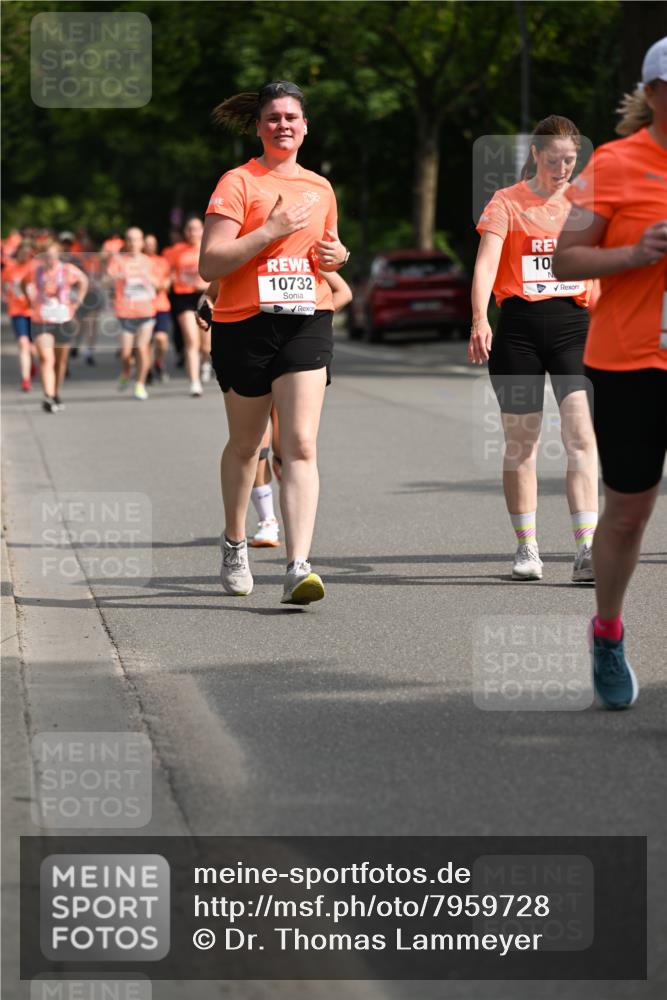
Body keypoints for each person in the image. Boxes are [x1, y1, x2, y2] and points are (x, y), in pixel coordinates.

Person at [199, 79, 349, 603]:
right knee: (246, 446)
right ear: (259, 127)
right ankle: (235, 542)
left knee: (301, 444)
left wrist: (336, 258)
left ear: (305, 126)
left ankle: (298, 566)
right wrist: (271, 228)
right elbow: (209, 264)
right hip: (244, 323)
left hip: (307, 318)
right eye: (273, 118)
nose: (283, 124)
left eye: (292, 117)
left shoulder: (321, 188)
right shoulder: (238, 183)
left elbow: (325, 251)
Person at [553, 37, 667, 709]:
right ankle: (607, 631)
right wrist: (633, 252)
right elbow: (565, 260)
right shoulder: (617, 164)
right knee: (627, 514)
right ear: (654, 92)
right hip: (630, 360)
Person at [469, 116, 599, 583]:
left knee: (581, 438)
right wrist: (480, 318)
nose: (563, 167)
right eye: (554, 158)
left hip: (574, 328)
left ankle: (586, 549)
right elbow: (486, 266)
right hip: (520, 330)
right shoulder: (506, 201)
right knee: (522, 444)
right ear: (535, 156)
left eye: (570, 159)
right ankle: (527, 547)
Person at [197, 268, 352, 549]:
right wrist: (208, 311)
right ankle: (267, 521)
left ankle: (291, 529)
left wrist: (309, 319)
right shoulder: (241, 256)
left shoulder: (304, 257)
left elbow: (343, 292)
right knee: (256, 445)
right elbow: (209, 296)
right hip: (249, 353)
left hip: (292, 355)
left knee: (290, 448)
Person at [23, 240, 88, 412]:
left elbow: (84, 280)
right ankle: (48, 396)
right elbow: (23, 283)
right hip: (41, 319)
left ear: (58, 255)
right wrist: (29, 300)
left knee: (60, 362)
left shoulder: (67, 270)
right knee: (46, 358)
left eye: (53, 256)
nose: (50, 260)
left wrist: (78, 301)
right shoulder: (36, 271)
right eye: (46, 257)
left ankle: (56, 392)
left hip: (63, 319)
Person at [107, 227, 156, 400]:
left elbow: (161, 284)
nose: (133, 243)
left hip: (146, 312)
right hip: (125, 312)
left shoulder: (149, 261)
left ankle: (140, 384)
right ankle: (126, 371)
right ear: (125, 242)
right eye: (130, 239)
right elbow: (106, 280)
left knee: (143, 349)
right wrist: (118, 276)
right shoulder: (118, 260)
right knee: (126, 353)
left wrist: (147, 278)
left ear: (142, 242)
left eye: (136, 240)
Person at [170, 217, 210, 395]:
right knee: (191, 341)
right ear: (185, 232)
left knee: (206, 346)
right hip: (184, 297)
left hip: (205, 297)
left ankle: (206, 361)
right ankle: (195, 382)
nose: (193, 232)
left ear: (203, 230)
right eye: (189, 229)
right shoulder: (176, 251)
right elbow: (169, 273)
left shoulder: (209, 247)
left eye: (196, 228)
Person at [2, 240, 36, 391]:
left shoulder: (35, 268)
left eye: (27, 253)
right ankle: (26, 379)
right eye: (22, 252)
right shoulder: (10, 269)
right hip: (18, 311)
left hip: (35, 312)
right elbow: (3, 286)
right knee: (23, 343)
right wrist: (4, 296)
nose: (24, 255)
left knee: (34, 347)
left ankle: (32, 363)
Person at [144, 234, 172, 381]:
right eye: (146, 243)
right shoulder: (139, 262)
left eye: (152, 243)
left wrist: (161, 283)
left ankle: (158, 361)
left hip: (161, 306)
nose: (149, 246)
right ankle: (147, 370)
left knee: (161, 339)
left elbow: (167, 282)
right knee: (146, 342)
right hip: (143, 308)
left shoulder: (162, 261)